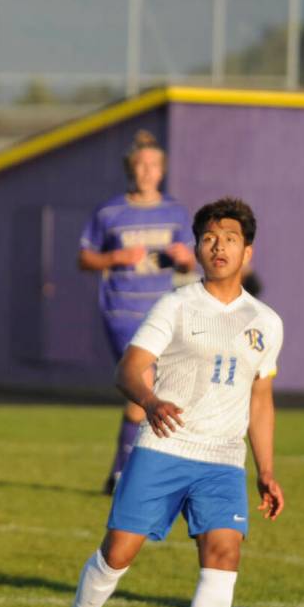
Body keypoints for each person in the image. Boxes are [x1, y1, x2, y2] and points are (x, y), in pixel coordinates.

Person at [50, 197, 284, 607]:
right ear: (197, 247)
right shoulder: (176, 304)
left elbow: (260, 399)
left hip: (222, 459)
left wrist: (265, 469)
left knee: (224, 553)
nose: (219, 246)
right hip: (163, 447)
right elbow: (128, 369)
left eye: (230, 238)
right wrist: (151, 401)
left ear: (248, 251)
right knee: (118, 553)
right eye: (209, 238)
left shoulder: (267, 322)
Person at [79, 130, 196, 493]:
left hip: (163, 313)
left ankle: (120, 474)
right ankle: (127, 476)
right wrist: (114, 257)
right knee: (143, 386)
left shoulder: (175, 211)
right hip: (123, 313)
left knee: (150, 394)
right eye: (141, 165)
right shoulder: (111, 211)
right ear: (132, 169)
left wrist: (184, 258)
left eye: (153, 165)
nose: (147, 172)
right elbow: (85, 257)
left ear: (162, 170)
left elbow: (190, 265)